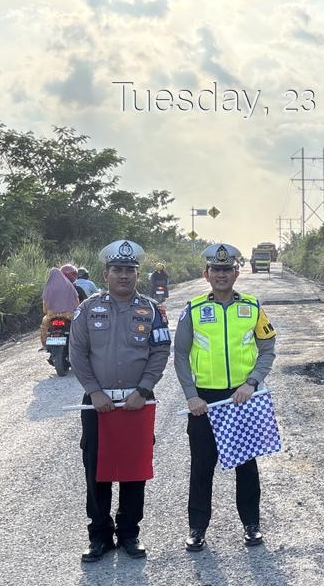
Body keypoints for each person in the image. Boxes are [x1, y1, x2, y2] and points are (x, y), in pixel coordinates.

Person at [68, 239, 172, 562]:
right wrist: (94, 391)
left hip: (137, 403)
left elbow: (160, 352)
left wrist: (144, 390)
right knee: (95, 468)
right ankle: (99, 535)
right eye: (117, 270)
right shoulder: (87, 310)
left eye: (129, 270)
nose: (123, 275)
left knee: (133, 469)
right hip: (98, 403)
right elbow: (77, 353)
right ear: (106, 274)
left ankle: (129, 532)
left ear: (137, 274)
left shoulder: (152, 311)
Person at [173, 242, 276, 552]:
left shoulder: (253, 307)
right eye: (216, 269)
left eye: (227, 269)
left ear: (236, 273)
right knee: (202, 467)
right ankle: (197, 528)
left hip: (241, 398)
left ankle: (252, 524)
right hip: (204, 401)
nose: (221, 274)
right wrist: (191, 396)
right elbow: (180, 356)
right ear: (206, 274)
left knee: (246, 465)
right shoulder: (193, 309)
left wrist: (252, 383)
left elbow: (267, 350)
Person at [40, 266, 79, 351]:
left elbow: (45, 308)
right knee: (79, 326)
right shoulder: (70, 286)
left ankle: (45, 345)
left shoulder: (48, 288)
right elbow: (76, 303)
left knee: (44, 326)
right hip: (69, 315)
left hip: (51, 316)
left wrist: (50, 312)